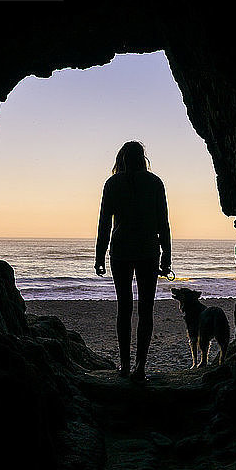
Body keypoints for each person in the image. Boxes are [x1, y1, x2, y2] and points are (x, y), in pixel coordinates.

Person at [94, 141, 171, 383]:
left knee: (124, 308)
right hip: (149, 251)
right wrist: (167, 253)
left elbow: (104, 222)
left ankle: (125, 365)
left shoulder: (112, 183)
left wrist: (99, 255)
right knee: (146, 309)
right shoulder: (155, 182)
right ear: (143, 159)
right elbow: (163, 222)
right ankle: (140, 366)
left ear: (121, 159)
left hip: (121, 252)